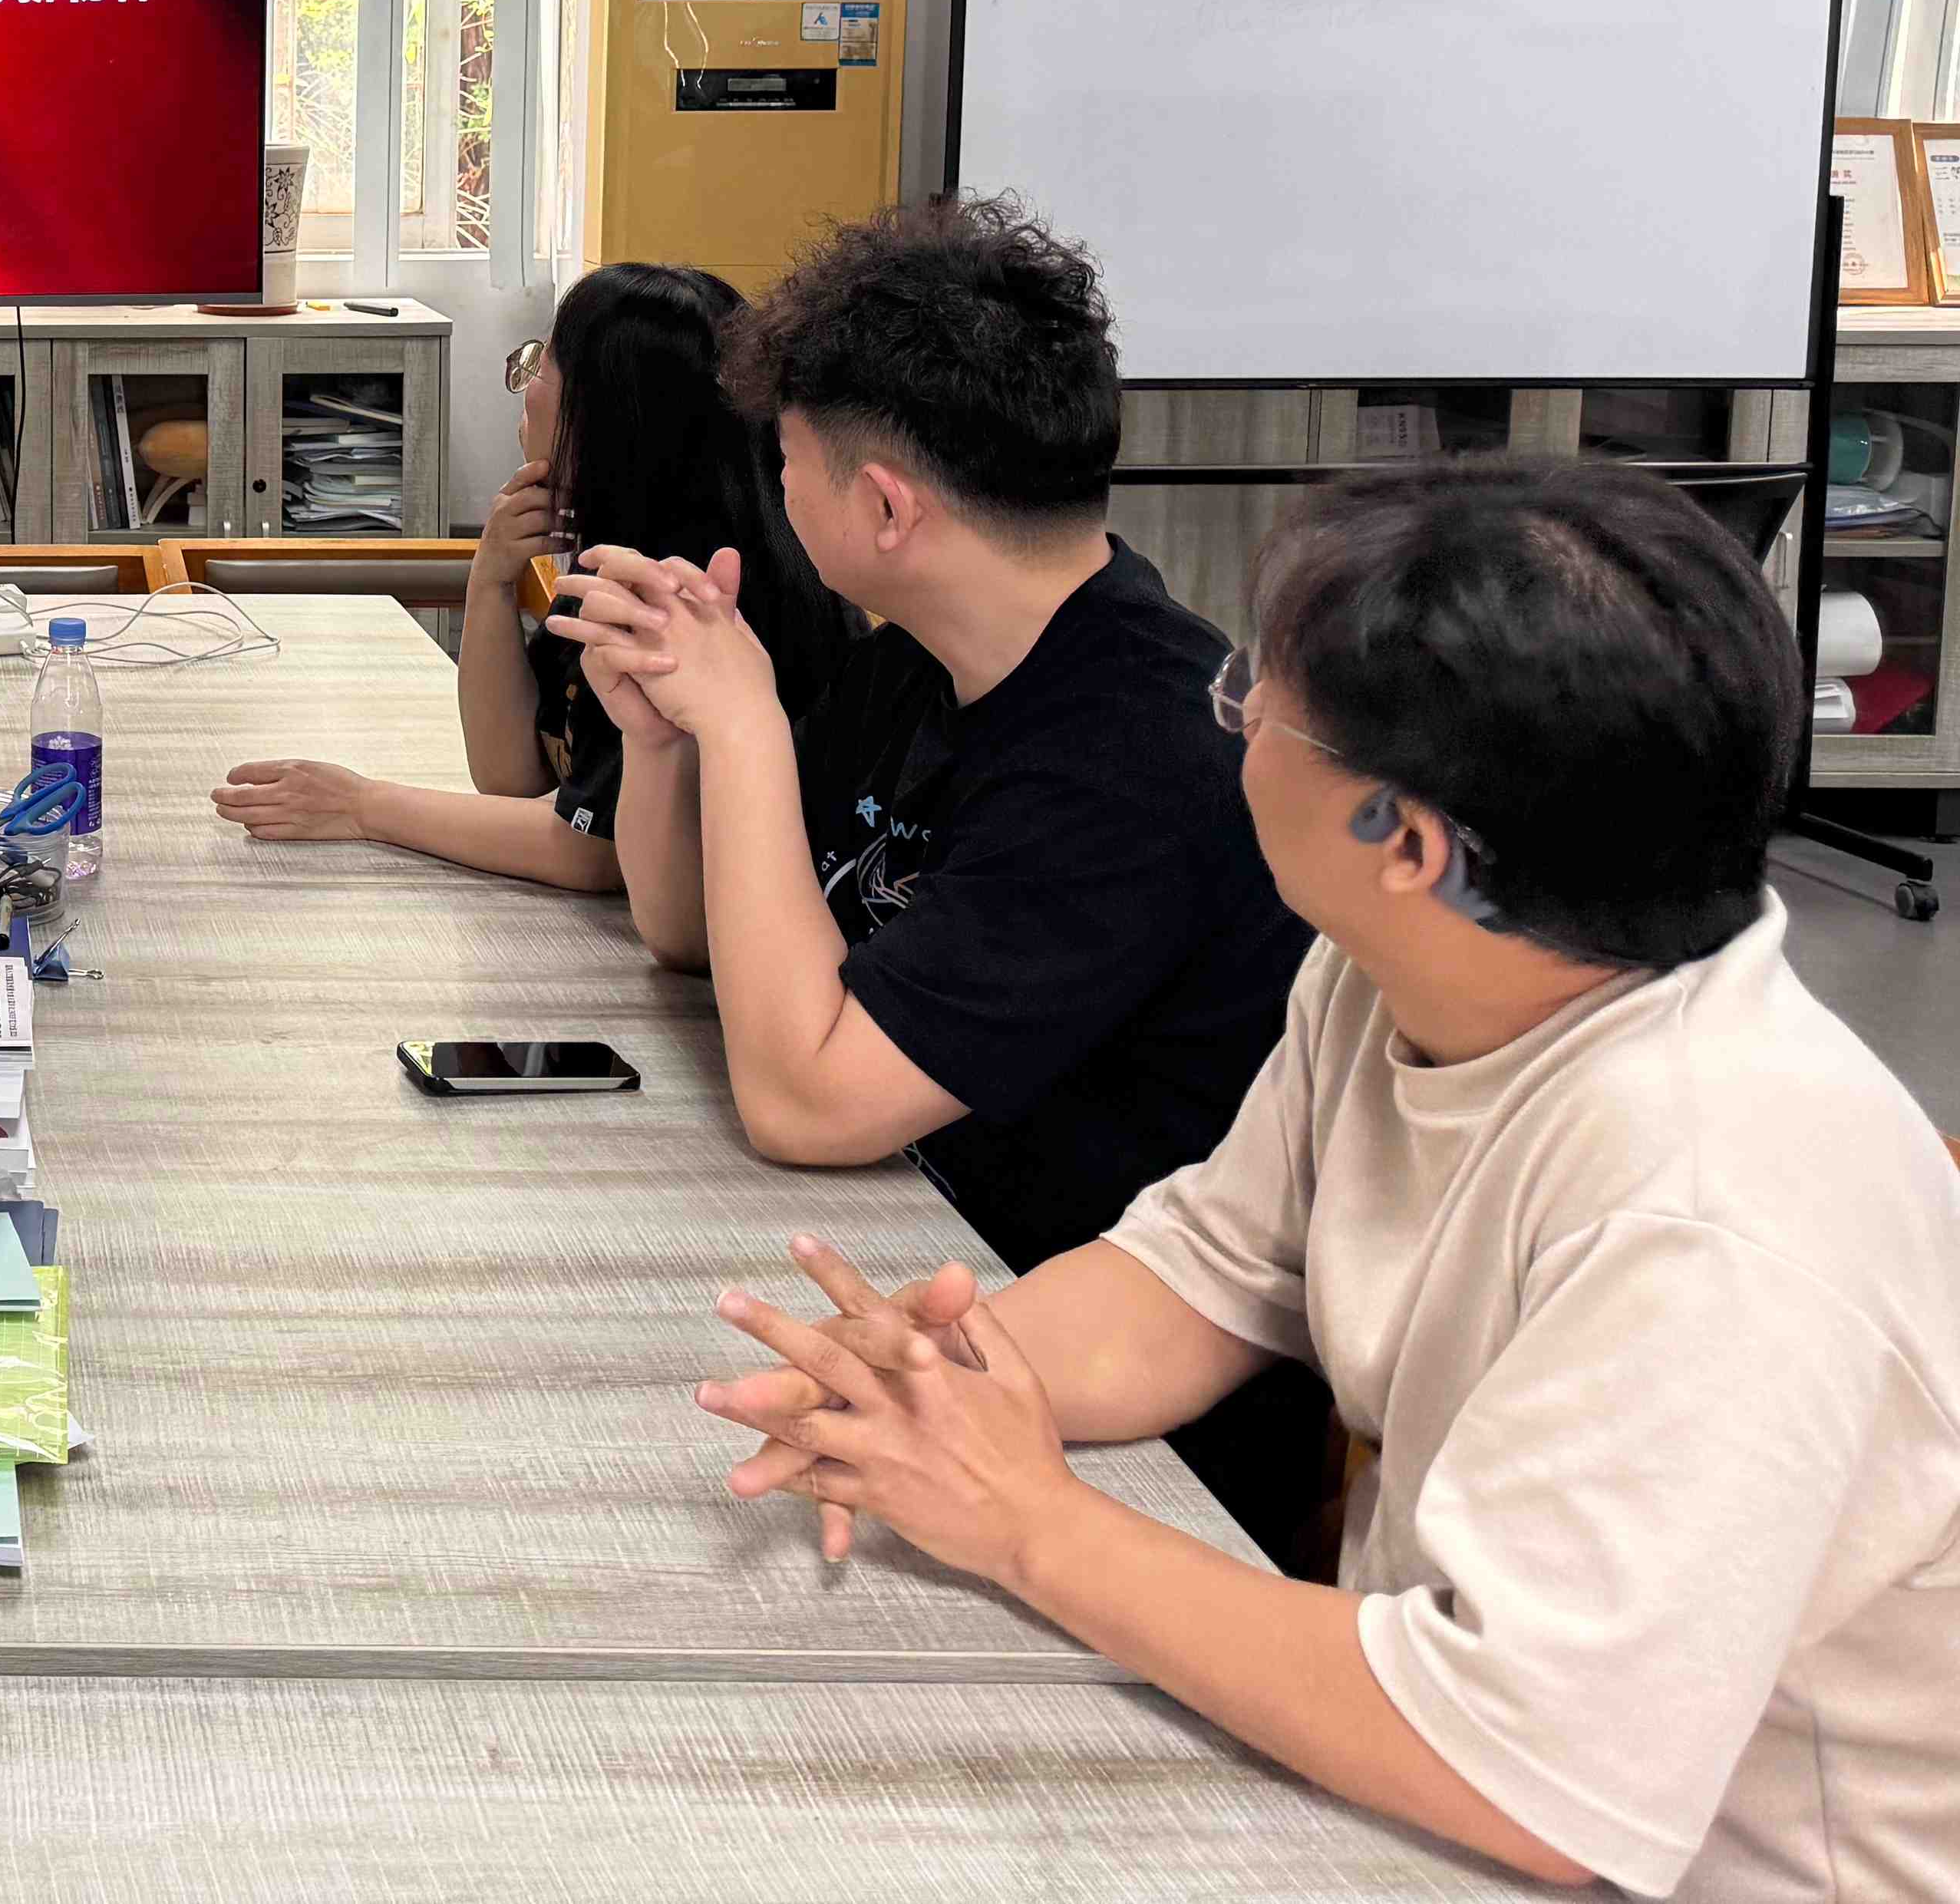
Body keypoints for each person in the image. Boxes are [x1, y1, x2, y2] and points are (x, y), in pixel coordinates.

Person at [687, 457, 1960, 1898]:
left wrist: (1029, 1521)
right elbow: (1209, 1266)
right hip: (1421, 1784)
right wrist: (928, 1381)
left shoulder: (1724, 1206)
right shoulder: (1404, 974)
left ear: (1402, 842)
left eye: (1252, 698)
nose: (1224, 720)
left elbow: (1523, 1762)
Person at [548, 196, 1322, 1556]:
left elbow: (806, 1103)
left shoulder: (1137, 753)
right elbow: (692, 939)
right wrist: (665, 740)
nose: (778, 489)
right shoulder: (926, 656)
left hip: (1117, 1439)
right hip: (918, 1283)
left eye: (789, 459)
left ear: (885, 505)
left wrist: (745, 725)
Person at [210, 263, 852, 889]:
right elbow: (511, 775)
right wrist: (491, 581)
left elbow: (590, 853)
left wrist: (361, 806)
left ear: (605, 415)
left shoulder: (682, 590)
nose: (526, 386)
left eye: (543, 363)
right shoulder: (622, 550)